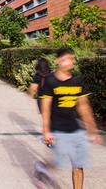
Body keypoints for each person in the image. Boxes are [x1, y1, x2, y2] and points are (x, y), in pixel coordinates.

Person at [38, 47, 103, 189]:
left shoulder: (77, 80)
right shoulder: (50, 81)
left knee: (78, 165)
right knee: (59, 163)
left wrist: (92, 130)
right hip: (57, 129)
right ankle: (43, 168)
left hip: (75, 129)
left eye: (71, 59)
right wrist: (46, 131)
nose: (68, 62)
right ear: (57, 61)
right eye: (65, 59)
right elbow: (46, 108)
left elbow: (84, 106)